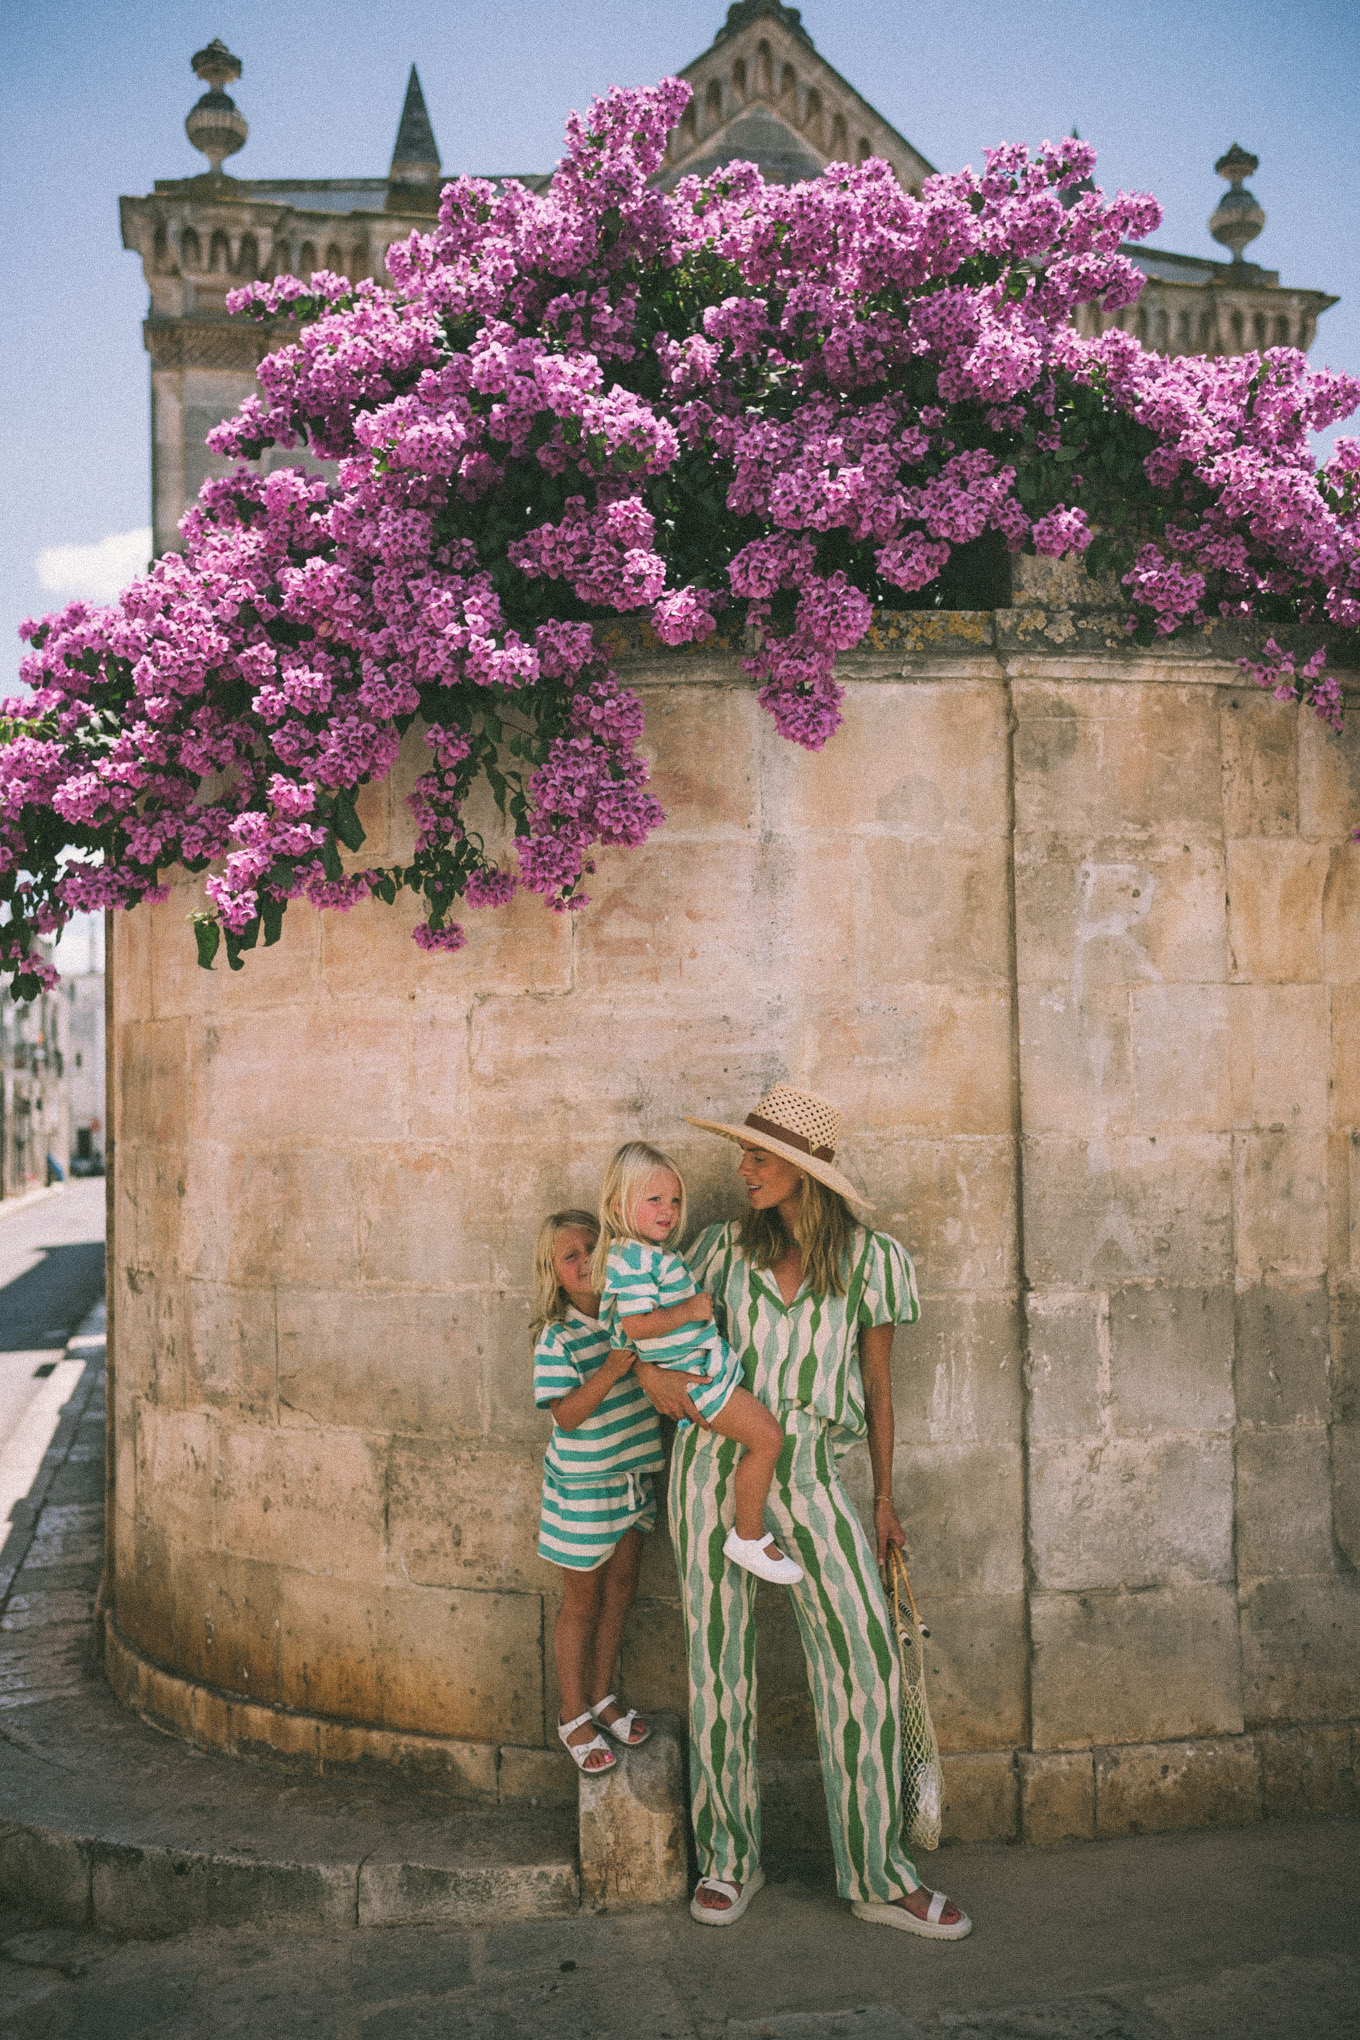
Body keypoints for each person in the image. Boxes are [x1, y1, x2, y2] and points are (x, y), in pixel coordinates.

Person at [632, 1086, 972, 1938]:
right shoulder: (713, 1253)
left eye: (760, 1157)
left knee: (863, 1661)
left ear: (806, 1174)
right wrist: (660, 1385)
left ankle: (877, 1874)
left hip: (815, 1471)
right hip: (713, 1466)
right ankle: (728, 1860)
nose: (742, 1169)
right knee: (719, 1667)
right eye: (744, 1155)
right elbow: (646, 1345)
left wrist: (886, 1499)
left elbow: (880, 1390)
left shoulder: (870, 1262)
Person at [594, 1141, 802, 1586]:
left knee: (763, 1436)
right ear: (617, 1204)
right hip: (696, 1382)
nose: (668, 1211)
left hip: (701, 1373)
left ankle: (750, 1532)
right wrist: (687, 1312)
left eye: (674, 1200)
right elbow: (635, 1325)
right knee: (767, 1437)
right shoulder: (629, 1258)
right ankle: (749, 1535)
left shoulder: (651, 1254)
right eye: (654, 1200)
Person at [531, 1208, 662, 1773]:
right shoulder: (557, 1337)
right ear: (553, 1272)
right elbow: (566, 1415)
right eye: (570, 1256)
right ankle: (571, 1713)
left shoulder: (626, 1315)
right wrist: (611, 1368)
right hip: (583, 1489)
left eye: (593, 1248)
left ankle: (603, 1696)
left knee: (622, 1589)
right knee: (581, 1602)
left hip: (632, 1477)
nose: (585, 1262)